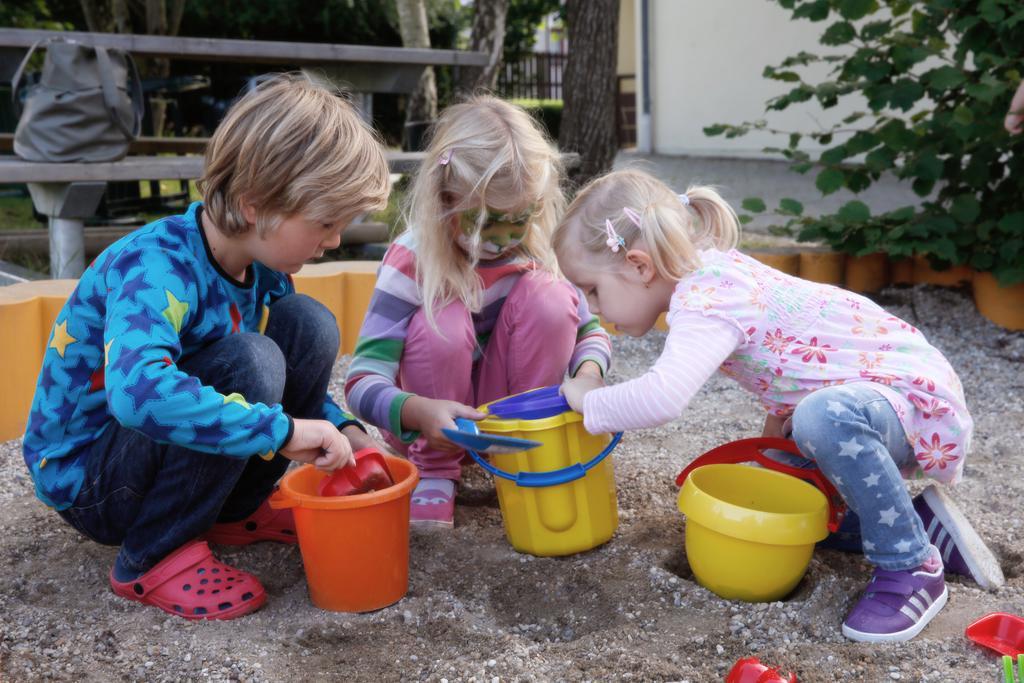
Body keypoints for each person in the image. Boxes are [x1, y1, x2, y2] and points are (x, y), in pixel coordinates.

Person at [554, 169, 1004, 643]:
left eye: (592, 290)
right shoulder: (711, 271)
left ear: (640, 267)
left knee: (820, 420)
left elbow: (662, 397)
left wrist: (589, 399)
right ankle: (924, 525)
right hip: (876, 396)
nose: (592, 308)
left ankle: (911, 565)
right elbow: (794, 372)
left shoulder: (707, 300)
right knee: (794, 503)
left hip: (910, 400)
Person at [21, 73, 391, 621]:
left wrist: (342, 429)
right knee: (251, 360)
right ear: (254, 205)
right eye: (326, 222)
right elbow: (137, 394)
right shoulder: (155, 268)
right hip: (94, 482)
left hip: (155, 453)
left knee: (307, 324)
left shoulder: (260, 266)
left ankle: (236, 510)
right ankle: (153, 553)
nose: (335, 240)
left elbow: (288, 390)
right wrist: (284, 431)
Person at [345, 96, 611, 528]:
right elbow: (360, 382)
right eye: (483, 221)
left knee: (550, 297)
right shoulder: (414, 260)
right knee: (444, 318)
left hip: (507, 423)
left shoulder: (538, 251)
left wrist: (588, 377)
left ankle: (526, 446)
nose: (500, 241)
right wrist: (417, 411)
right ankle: (436, 470)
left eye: (518, 219)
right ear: (444, 199)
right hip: (426, 424)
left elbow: (592, 334)